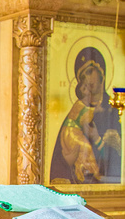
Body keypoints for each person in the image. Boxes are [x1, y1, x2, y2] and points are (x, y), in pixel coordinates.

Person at [50, 47, 121, 185]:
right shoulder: (76, 110)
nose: (87, 79)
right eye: (83, 77)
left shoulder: (113, 110)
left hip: (107, 187)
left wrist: (97, 139)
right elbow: (60, 163)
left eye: (90, 72)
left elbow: (117, 160)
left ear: (101, 71)